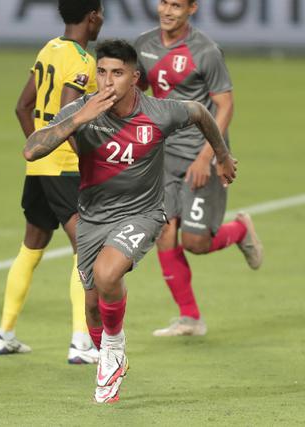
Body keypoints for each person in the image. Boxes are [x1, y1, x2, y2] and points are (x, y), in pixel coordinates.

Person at [23, 39, 237, 403]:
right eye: (102, 72)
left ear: (135, 78)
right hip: (93, 216)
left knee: (108, 275)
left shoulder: (158, 112)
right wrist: (79, 119)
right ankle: (109, 357)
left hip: (144, 212)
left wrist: (222, 155)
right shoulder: (82, 110)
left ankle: (116, 347)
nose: (108, 81)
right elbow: (31, 149)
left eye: (117, 74)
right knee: (92, 305)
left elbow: (201, 112)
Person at [134, 0, 263, 337]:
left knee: (195, 242)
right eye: (163, 2)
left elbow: (225, 105)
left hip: (200, 157)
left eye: (176, 5)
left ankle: (240, 231)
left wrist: (208, 156)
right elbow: (140, 92)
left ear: (192, 8)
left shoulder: (205, 51)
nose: (167, 10)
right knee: (164, 233)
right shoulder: (144, 44)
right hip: (164, 155)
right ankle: (190, 318)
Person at [0, 0, 105, 365]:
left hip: (40, 169)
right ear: (92, 17)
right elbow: (67, 113)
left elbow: (22, 106)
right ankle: (81, 342)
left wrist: (36, 146)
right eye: (100, 14)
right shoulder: (83, 60)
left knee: (32, 247)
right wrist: (81, 153)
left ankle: (4, 334)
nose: (102, 20)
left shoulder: (49, 49)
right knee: (85, 250)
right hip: (66, 169)